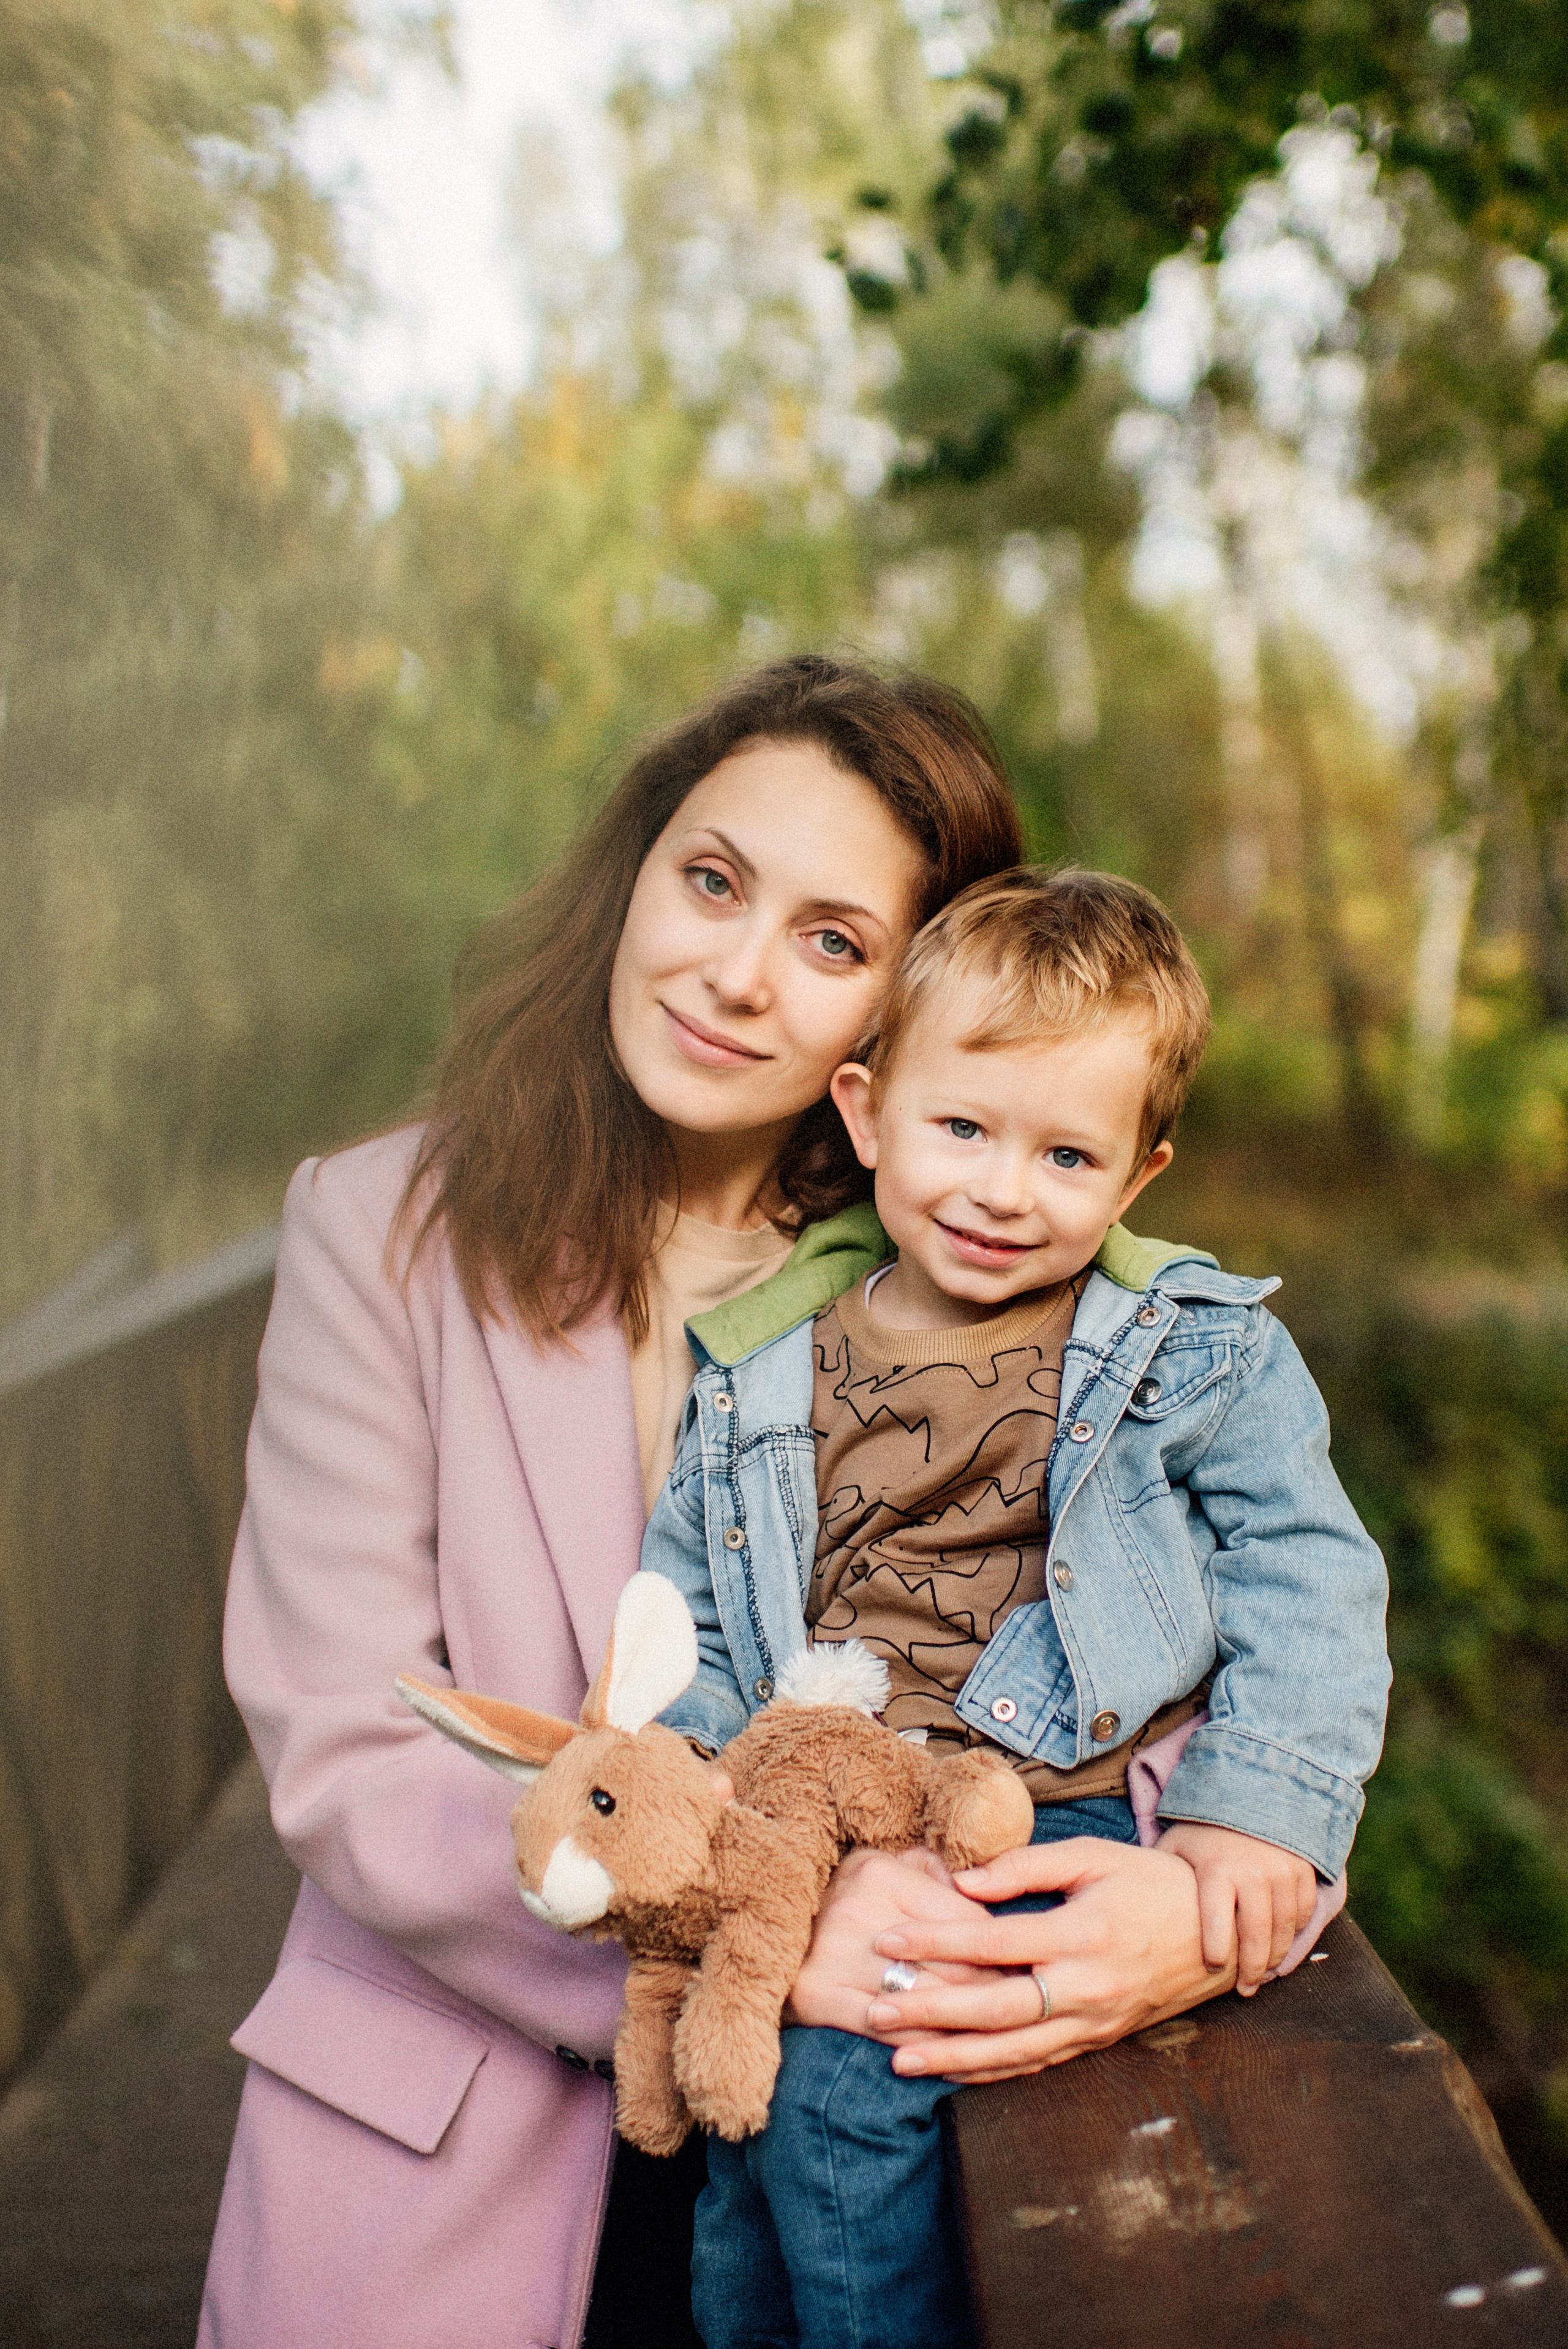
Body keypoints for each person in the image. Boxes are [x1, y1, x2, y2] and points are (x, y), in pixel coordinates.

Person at [198, 659, 1244, 2349]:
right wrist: (756, 1916)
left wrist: (1207, 1890)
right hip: (450, 2153)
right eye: (712, 881)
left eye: (834, 942)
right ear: (634, 873)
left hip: (859, 2150)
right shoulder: (378, 1229)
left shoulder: (986, 1271)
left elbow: (1224, 1641)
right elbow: (342, 1740)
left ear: (902, 1013)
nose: (737, 975)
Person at [642, 865, 1392, 2349]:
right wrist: (703, 1812)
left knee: (844, 2102)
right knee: (732, 2192)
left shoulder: (1193, 1354)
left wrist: (1263, 1808)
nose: (999, 1186)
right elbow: (691, 1607)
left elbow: (1310, 1570)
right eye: (962, 1127)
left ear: (1137, 1175)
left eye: (1064, 1154)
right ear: (866, 1114)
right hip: (816, 1801)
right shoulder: (756, 1374)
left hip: (1037, 1791)